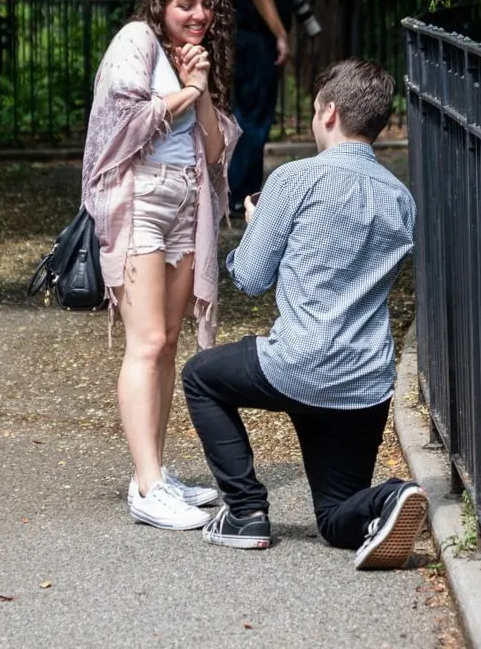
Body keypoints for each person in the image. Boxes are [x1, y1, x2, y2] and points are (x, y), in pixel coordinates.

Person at [182, 59, 427, 569]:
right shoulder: (401, 199)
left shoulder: (294, 179)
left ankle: (246, 511)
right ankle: (388, 497)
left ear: (330, 112)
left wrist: (257, 224)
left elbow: (250, 277)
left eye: (316, 111)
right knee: (337, 520)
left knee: (201, 377)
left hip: (296, 363)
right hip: (364, 381)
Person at [81, 0, 240, 532]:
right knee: (145, 341)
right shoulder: (136, 41)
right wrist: (186, 89)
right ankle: (146, 487)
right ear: (160, 4)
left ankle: (155, 470)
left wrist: (198, 88)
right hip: (139, 202)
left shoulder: (196, 58)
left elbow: (216, 149)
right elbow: (123, 125)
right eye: (185, 5)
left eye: (204, 4)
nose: (198, 14)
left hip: (187, 202)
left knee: (169, 341)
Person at [214, 0, 291, 211]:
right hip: (255, 38)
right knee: (254, 119)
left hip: (236, 35)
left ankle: (231, 188)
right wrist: (281, 34)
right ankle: (242, 193)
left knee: (240, 113)